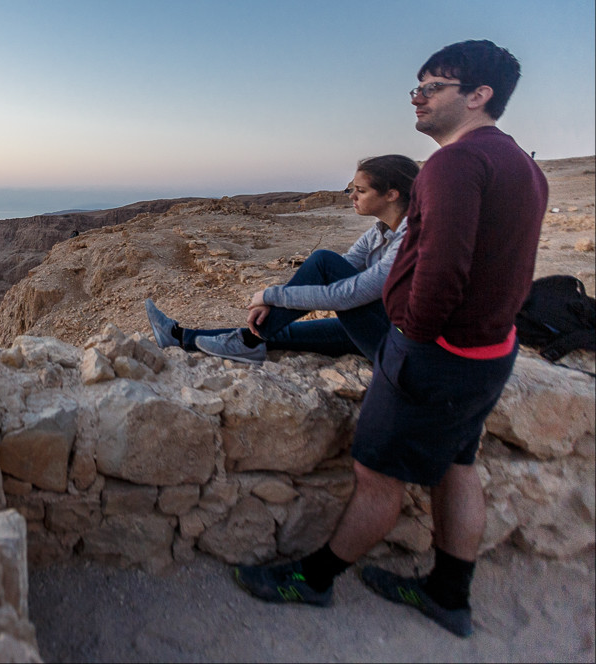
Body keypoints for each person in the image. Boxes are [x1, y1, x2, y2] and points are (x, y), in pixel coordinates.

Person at [232, 40, 548, 639]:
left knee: (377, 474)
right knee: (457, 464)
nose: (417, 99)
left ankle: (315, 580)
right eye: (416, 88)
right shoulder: (523, 166)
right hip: (490, 352)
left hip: (437, 354)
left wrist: (411, 337)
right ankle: (448, 595)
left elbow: (442, 268)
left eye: (432, 88)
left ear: (479, 96)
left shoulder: (453, 166)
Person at [145, 154, 419, 364]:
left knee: (323, 259)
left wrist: (272, 296)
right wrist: (276, 302)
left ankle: (249, 343)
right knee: (281, 333)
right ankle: (179, 337)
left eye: (360, 190)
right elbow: (346, 267)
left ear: (391, 194)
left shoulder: (412, 239)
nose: (352, 196)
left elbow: (348, 293)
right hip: (379, 328)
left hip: (401, 348)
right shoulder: (380, 232)